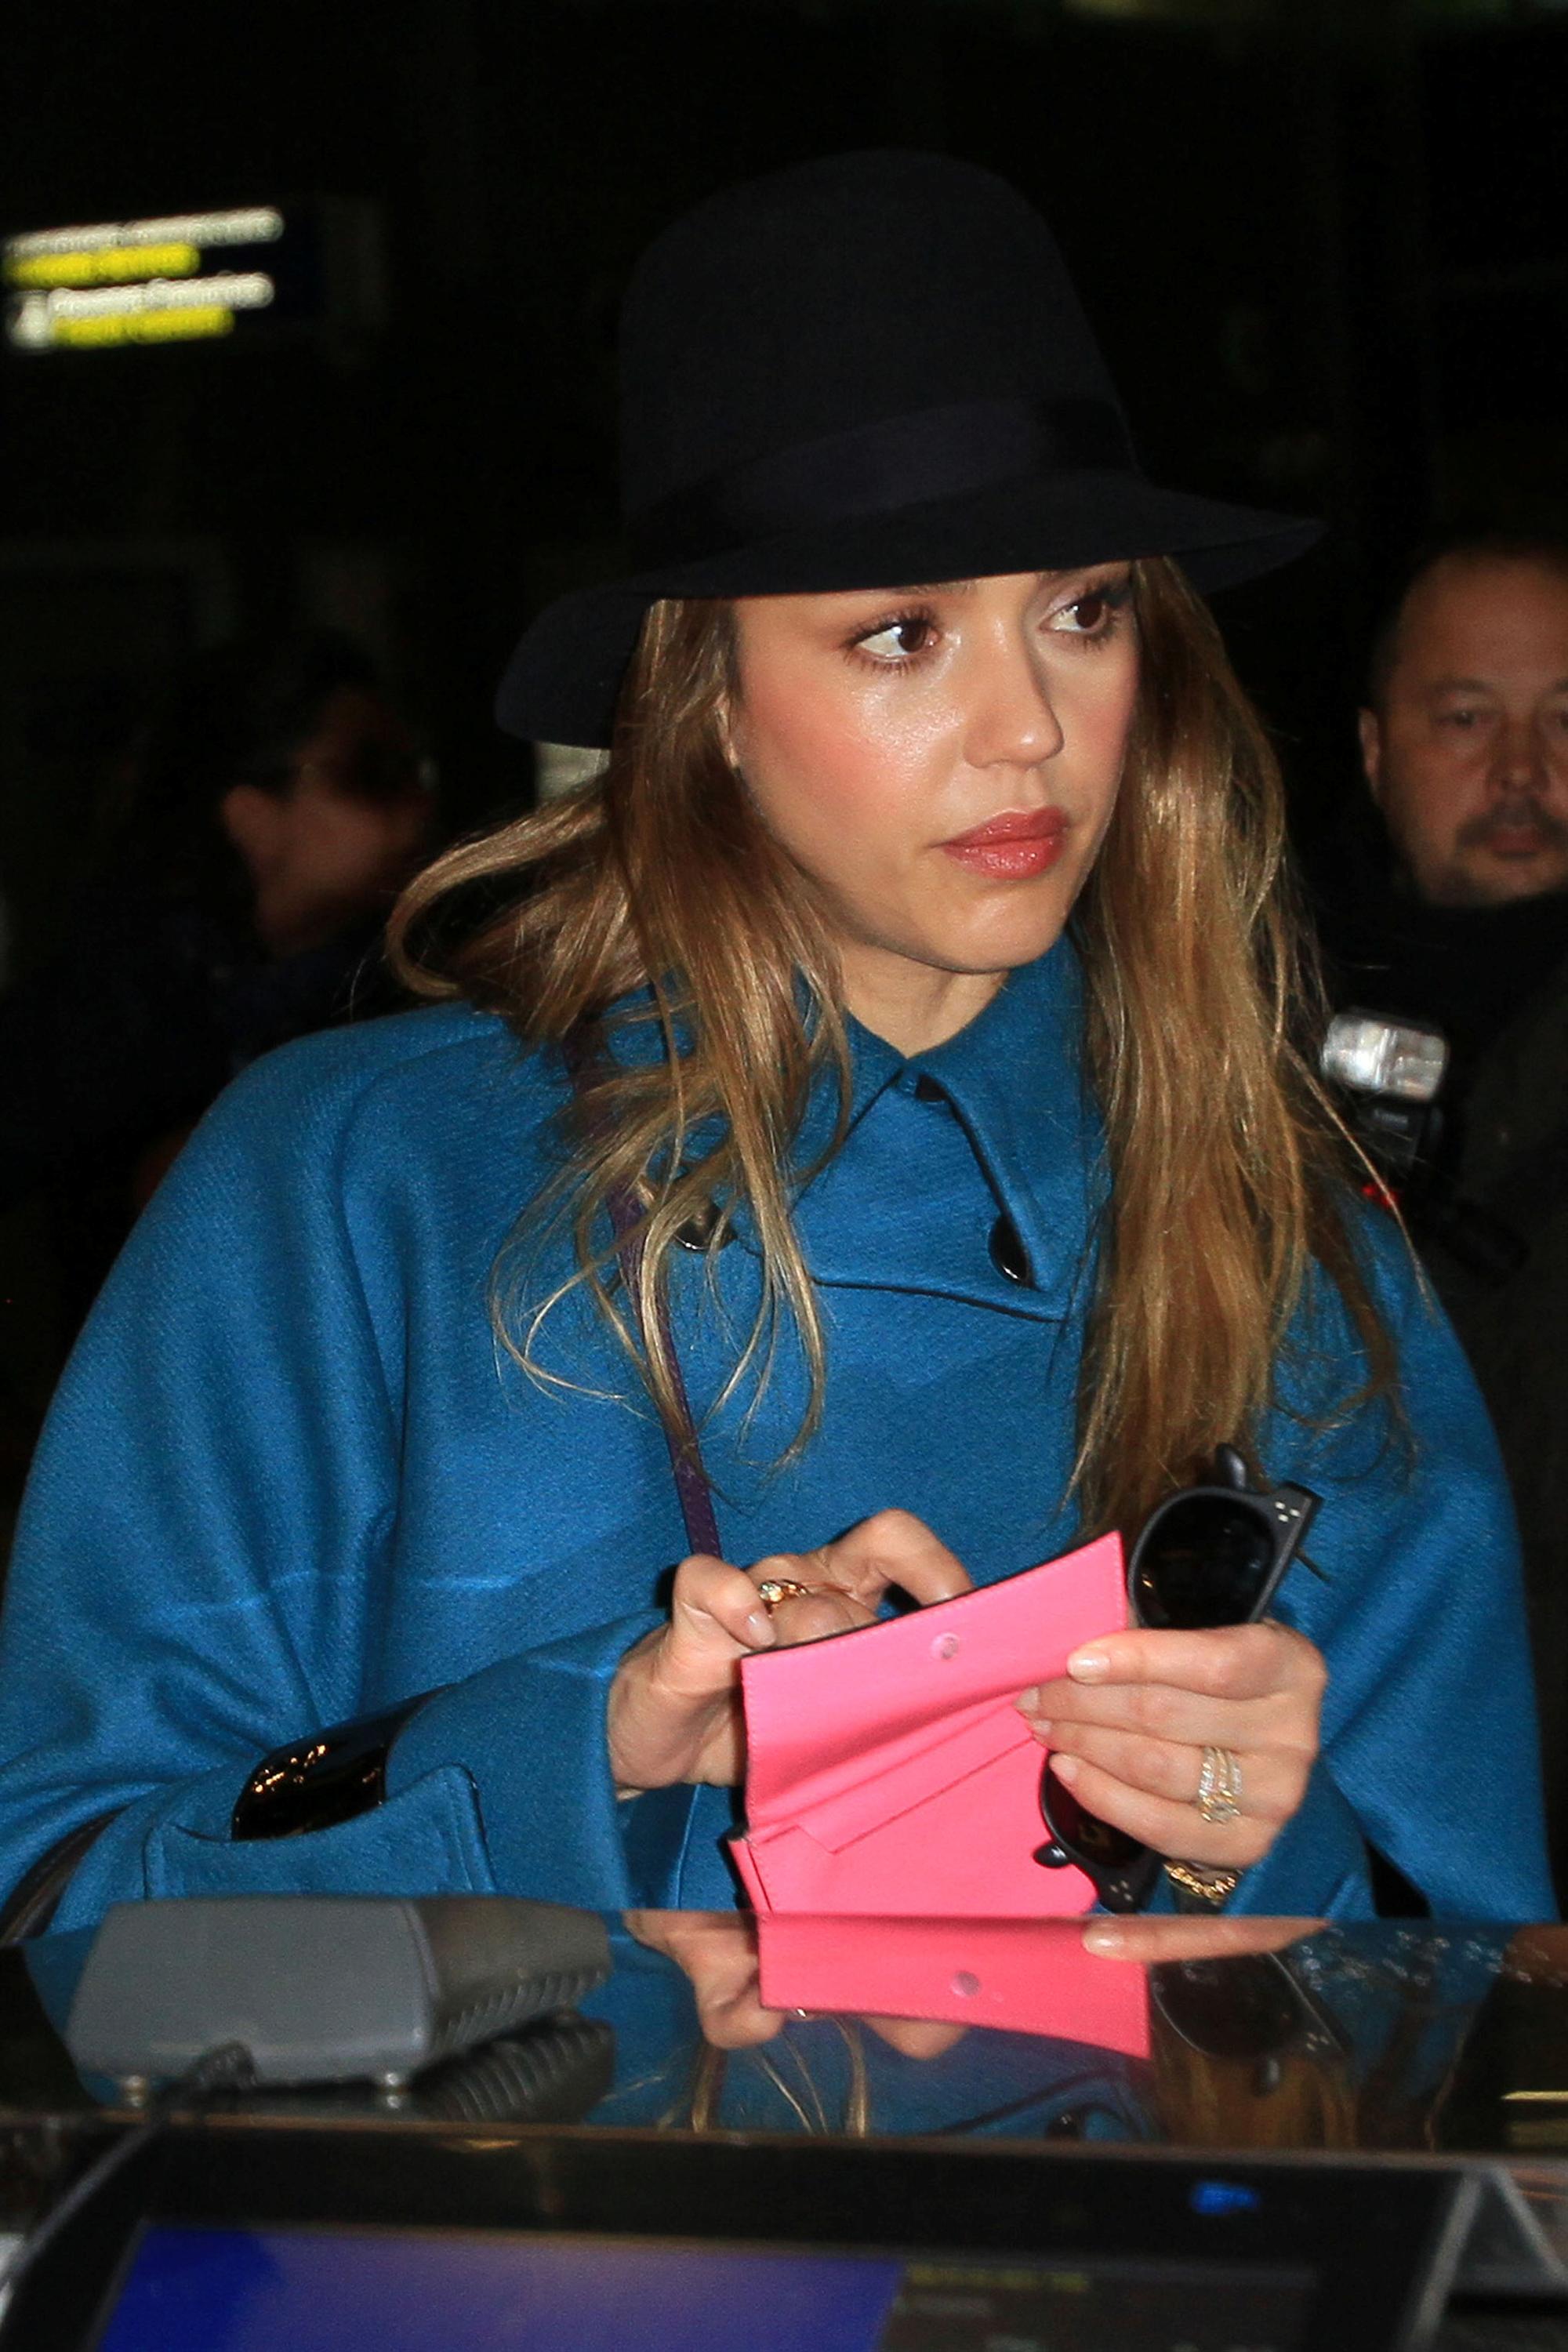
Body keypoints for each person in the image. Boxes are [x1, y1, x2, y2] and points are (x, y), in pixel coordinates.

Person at [0, 154, 1550, 1938]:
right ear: (705, 704)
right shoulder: (352, 1189)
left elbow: (1463, 2031)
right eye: (898, 632)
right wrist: (583, 1745)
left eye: (1080, 609)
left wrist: (1215, 1835)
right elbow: (71, 1904)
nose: (1027, 726)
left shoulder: (1293, 1248)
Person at [1325, 535, 1568, 1897]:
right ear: (1373, 748)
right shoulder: (1223, 1043)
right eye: (1468, 718)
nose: (1522, 772)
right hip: (1361, 1852)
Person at [0, 630, 437, 1329]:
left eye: (418, 770)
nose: (419, 804)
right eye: (373, 773)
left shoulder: (425, 991)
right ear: (250, 814)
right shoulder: (99, 1011)